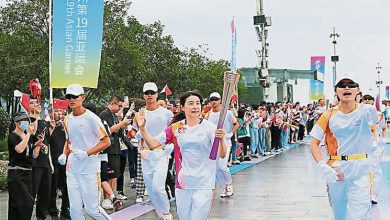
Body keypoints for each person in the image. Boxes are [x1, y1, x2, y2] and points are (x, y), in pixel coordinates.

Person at [137, 91, 227, 220]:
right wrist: (143, 128)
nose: (195, 107)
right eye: (191, 103)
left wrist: (222, 139)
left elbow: (222, 154)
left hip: (204, 183)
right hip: (183, 183)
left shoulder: (210, 128)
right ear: (183, 107)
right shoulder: (175, 128)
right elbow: (152, 144)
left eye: (198, 103)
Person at [310, 74, 378, 220]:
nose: (347, 87)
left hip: (361, 169)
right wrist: (322, 165)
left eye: (351, 85)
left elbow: (378, 122)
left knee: (359, 214)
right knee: (339, 215)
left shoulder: (365, 111)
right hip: (337, 170)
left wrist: (376, 119)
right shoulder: (329, 114)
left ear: (357, 90)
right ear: (336, 90)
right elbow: (314, 142)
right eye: (342, 85)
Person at [58, 84, 112, 219]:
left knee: (92, 210)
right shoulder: (67, 119)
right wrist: (64, 154)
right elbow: (68, 141)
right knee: (75, 210)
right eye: (68, 97)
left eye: (74, 97)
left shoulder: (92, 118)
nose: (71, 100)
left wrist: (87, 153)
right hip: (72, 168)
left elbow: (106, 141)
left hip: (89, 169)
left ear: (83, 97)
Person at [131, 82, 174, 219]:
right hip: (145, 154)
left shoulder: (166, 113)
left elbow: (172, 132)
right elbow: (134, 132)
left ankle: (166, 212)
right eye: (147, 93)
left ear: (157, 94)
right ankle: (161, 214)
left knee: (158, 187)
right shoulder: (139, 114)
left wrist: (169, 149)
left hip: (161, 152)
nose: (150, 95)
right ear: (143, 95)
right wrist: (138, 141)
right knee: (151, 190)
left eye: (152, 93)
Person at [204, 92, 239, 198]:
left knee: (222, 166)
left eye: (216, 99)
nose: (214, 101)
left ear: (220, 101)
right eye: (212, 99)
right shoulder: (207, 115)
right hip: (212, 143)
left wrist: (231, 134)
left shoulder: (227, 113)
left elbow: (236, 124)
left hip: (225, 142)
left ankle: (229, 185)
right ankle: (224, 186)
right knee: (215, 167)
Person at [99, 96, 131, 208]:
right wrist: (122, 123)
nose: (120, 108)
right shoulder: (104, 114)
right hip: (108, 149)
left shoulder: (114, 115)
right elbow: (107, 130)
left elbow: (120, 132)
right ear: (113, 103)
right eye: (119, 106)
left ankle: (111, 197)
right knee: (109, 175)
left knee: (115, 175)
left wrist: (130, 145)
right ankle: (107, 199)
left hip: (116, 149)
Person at [7, 112, 38, 220]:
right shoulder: (12, 136)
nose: (26, 123)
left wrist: (38, 145)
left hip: (27, 173)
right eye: (23, 120)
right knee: (22, 203)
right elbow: (19, 149)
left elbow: (33, 155)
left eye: (27, 120)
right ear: (16, 122)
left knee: (28, 203)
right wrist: (28, 134)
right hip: (16, 174)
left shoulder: (27, 136)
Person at [29, 97, 53, 220]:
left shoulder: (44, 122)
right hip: (34, 162)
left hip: (45, 162)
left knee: (45, 192)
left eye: (38, 103)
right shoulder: (27, 121)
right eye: (33, 103)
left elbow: (48, 142)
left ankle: (41, 216)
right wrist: (34, 116)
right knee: (32, 192)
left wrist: (51, 130)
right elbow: (31, 134)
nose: (37, 105)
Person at [362, 94, 387, 204]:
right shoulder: (358, 114)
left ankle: (373, 195)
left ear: (373, 102)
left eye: (369, 100)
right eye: (365, 99)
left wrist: (382, 140)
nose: (367, 101)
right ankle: (363, 193)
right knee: (362, 170)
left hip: (375, 147)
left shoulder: (379, 115)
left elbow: (384, 128)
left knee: (375, 170)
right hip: (361, 146)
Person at [48, 106, 70, 219]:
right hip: (53, 161)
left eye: (61, 111)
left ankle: (65, 210)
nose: (60, 113)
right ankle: (52, 210)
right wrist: (51, 129)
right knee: (53, 186)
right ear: (50, 112)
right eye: (57, 111)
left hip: (65, 160)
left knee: (67, 187)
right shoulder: (48, 126)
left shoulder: (65, 125)